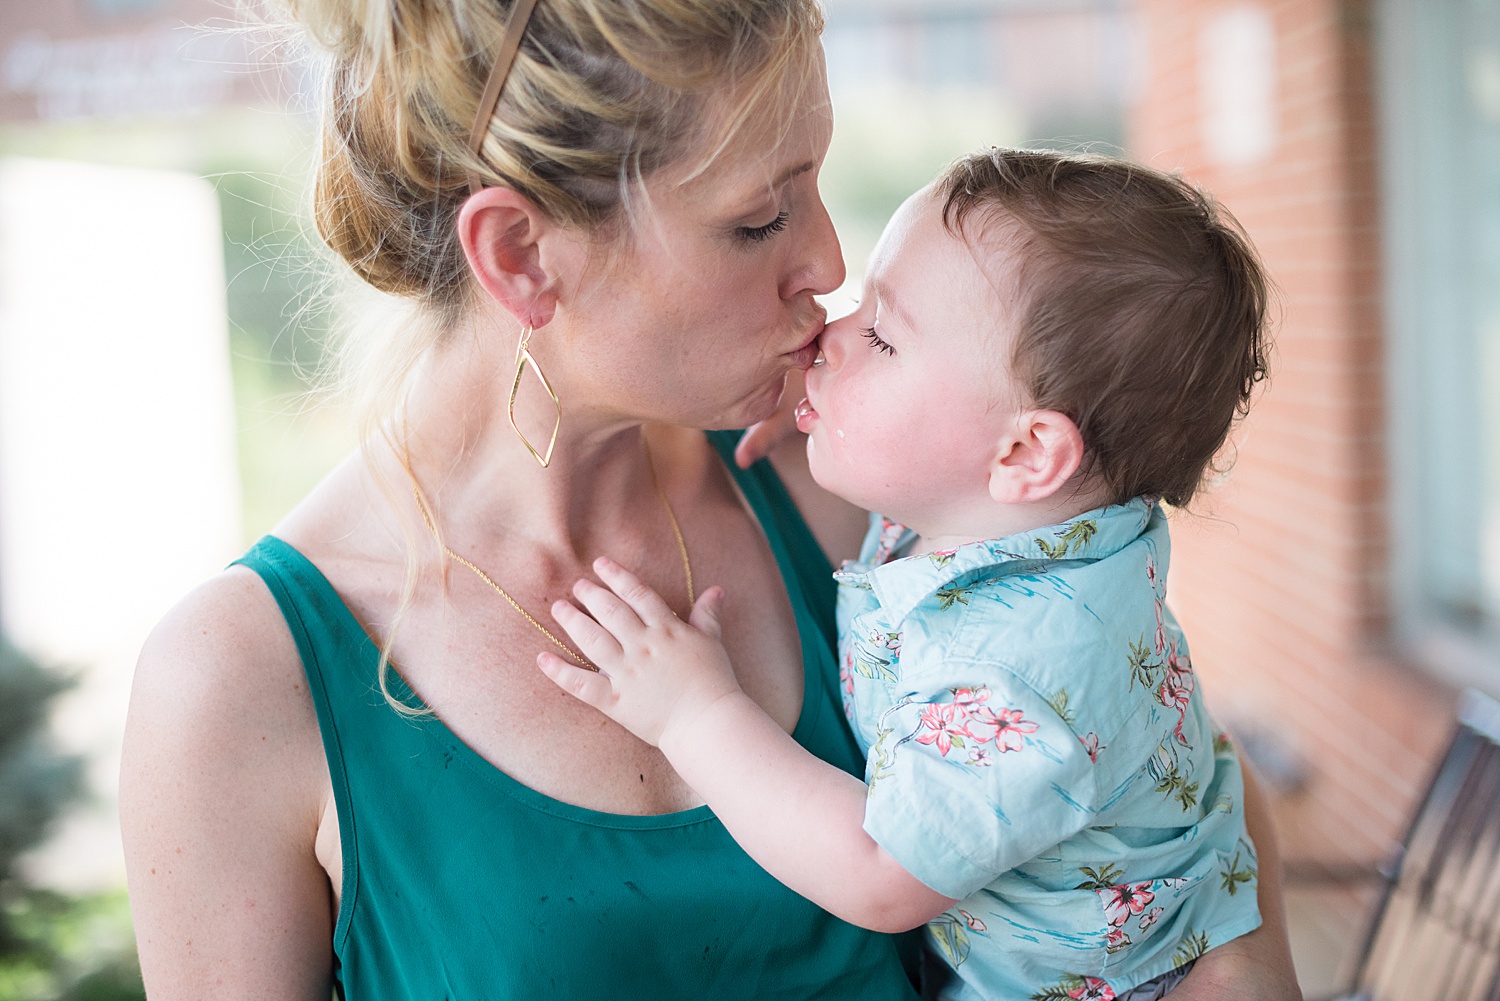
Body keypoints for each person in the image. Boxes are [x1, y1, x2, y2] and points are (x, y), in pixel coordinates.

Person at [119, 0, 1302, 997]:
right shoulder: (237, 684)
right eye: (758, 217)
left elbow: (1154, 761)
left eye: (816, 184)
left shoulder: (850, 493)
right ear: (522, 257)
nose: (831, 263)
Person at [537, 148, 1271, 1000]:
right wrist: (820, 412)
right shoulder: (1014, 522)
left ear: (1026, 451)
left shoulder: (1022, 673)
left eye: (883, 336)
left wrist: (695, 712)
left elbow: (881, 871)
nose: (828, 335)